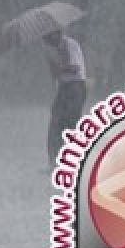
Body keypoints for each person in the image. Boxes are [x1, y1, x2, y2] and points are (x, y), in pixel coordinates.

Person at [44, 29, 87, 166]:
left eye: (48, 37)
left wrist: (59, 67)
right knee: (55, 123)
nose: (47, 41)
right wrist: (53, 68)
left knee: (71, 122)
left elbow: (75, 68)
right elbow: (56, 76)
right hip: (63, 88)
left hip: (75, 87)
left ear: (56, 34)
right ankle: (54, 161)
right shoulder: (54, 50)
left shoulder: (70, 45)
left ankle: (74, 160)